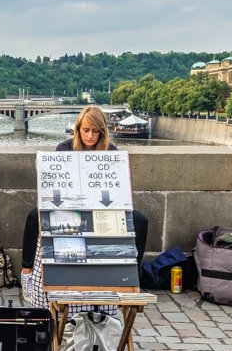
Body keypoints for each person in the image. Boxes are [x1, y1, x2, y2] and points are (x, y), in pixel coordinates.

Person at [21, 106, 150, 294]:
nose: (90, 136)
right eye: (86, 130)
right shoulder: (64, 148)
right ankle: (27, 273)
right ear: (78, 129)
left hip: (101, 206)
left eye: (95, 131)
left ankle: (131, 275)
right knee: (34, 216)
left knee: (140, 221)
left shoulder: (111, 151)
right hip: (70, 204)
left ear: (102, 132)